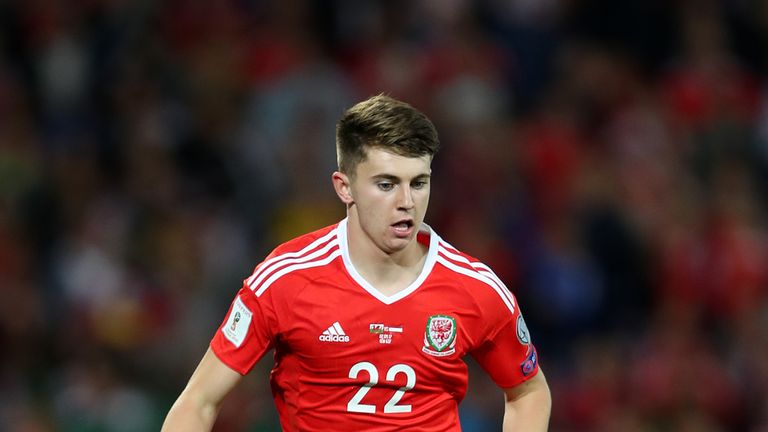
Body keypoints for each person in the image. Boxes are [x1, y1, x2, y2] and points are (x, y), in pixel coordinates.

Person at [162, 95, 551, 431]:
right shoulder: (286, 279)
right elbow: (197, 402)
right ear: (343, 187)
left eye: (418, 182)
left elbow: (528, 391)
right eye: (386, 184)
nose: (406, 202)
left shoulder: (476, 288)